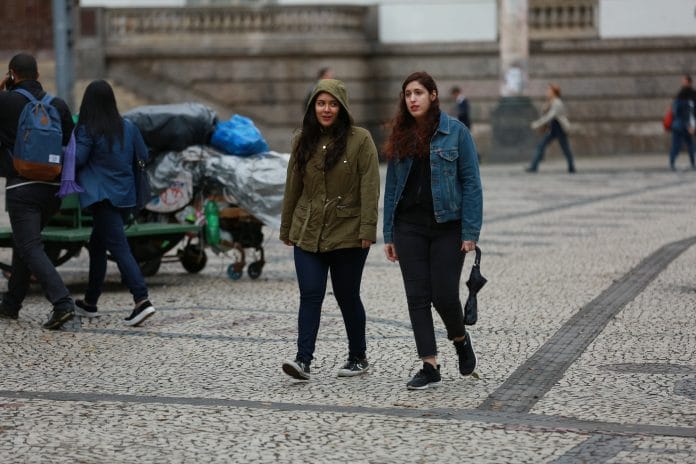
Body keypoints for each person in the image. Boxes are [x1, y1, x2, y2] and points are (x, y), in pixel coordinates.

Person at [383, 71, 482, 390]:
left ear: (433, 96)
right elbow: (392, 186)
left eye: (418, 93)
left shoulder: (456, 132)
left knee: (443, 294)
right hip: (409, 227)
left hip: (447, 227)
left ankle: (459, 338)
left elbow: (471, 182)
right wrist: (389, 234)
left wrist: (470, 230)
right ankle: (429, 365)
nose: (412, 99)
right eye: (407, 94)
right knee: (417, 296)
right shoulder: (401, 134)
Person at [280, 79, 380, 380]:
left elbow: (370, 187)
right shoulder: (302, 140)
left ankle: (358, 356)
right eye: (321, 103)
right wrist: (287, 228)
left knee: (347, 295)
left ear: (342, 107)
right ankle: (303, 359)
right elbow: (292, 187)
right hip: (308, 230)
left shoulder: (360, 139)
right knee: (310, 294)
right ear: (313, 107)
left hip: (347, 232)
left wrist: (367, 229)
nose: (326, 109)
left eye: (332, 103)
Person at [0, 53, 76, 329]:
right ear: (38, 75)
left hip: (22, 186)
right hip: (52, 190)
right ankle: (11, 304)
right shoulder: (57, 104)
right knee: (25, 243)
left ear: (12, 74)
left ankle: (63, 304)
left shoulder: (6, 102)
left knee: (30, 245)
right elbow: (70, 141)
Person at [72, 80, 156, 326]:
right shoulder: (128, 127)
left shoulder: (88, 129)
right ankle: (90, 302)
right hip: (124, 196)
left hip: (101, 197)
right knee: (97, 245)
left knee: (118, 247)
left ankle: (142, 300)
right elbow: (143, 155)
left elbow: (77, 160)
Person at [526, 83, 576, 173]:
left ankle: (571, 167)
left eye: (549, 90)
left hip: (560, 129)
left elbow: (549, 117)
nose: (547, 92)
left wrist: (536, 124)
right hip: (553, 129)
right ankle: (533, 166)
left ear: (554, 92)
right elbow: (545, 114)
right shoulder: (550, 102)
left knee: (565, 149)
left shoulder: (557, 103)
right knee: (541, 146)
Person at [668, 75, 695, 170]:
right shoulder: (684, 95)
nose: (683, 83)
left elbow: (690, 113)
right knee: (682, 145)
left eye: (684, 81)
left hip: (681, 125)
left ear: (689, 82)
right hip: (681, 125)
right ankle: (672, 163)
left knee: (687, 145)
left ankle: (673, 163)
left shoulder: (687, 96)